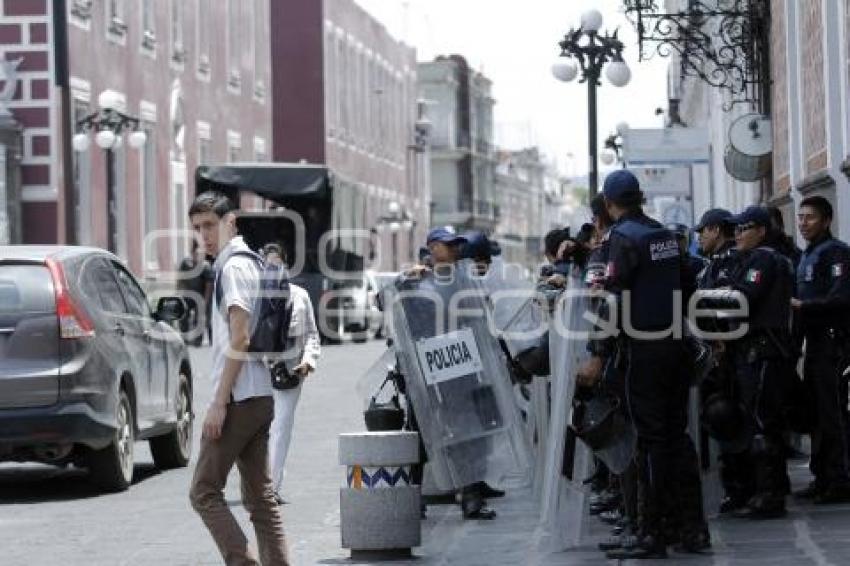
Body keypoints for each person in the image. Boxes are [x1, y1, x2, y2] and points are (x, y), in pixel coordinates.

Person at [579, 170, 708, 559]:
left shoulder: (622, 238)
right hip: (673, 345)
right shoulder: (664, 235)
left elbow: (612, 298)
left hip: (644, 350)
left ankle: (651, 533)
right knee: (677, 438)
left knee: (650, 443)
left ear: (608, 202)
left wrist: (599, 354)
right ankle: (691, 529)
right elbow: (689, 279)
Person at [187, 191, 289, 565]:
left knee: (203, 491)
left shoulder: (233, 267)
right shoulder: (250, 262)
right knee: (261, 500)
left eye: (210, 225)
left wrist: (218, 402)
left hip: (239, 399)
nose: (204, 235)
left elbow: (241, 336)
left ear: (232, 222)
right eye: (198, 228)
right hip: (259, 394)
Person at [723, 205, 795, 519]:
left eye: (744, 228)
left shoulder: (764, 258)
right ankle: (768, 489)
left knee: (763, 422)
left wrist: (718, 295)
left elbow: (742, 297)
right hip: (756, 349)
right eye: (735, 229)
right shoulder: (758, 258)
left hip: (763, 349)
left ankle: (769, 495)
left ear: (762, 230)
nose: (737, 234)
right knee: (761, 420)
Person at [694, 208, 756, 514]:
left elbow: (730, 305)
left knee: (733, 418)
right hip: (716, 356)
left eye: (702, 231)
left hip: (733, 354)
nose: (699, 237)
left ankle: (744, 489)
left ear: (716, 230)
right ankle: (733, 487)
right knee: (719, 419)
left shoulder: (732, 262)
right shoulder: (711, 265)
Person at [792, 196, 850, 503]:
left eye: (810, 218)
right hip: (813, 345)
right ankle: (822, 475)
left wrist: (805, 306)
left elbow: (841, 298)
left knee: (833, 413)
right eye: (800, 217)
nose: (803, 223)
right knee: (815, 413)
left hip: (834, 343)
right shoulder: (806, 256)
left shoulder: (836, 253)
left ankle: (839, 479)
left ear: (826, 221)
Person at [268, 278, 320, 505]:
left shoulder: (300, 295)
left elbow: (312, 334)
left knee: (281, 427)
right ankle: (257, 483)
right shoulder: (254, 296)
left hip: (290, 372)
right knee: (258, 428)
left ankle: (271, 487)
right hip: (259, 370)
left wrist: (309, 360)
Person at [177, 240, 213, 347]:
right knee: (183, 315)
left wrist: (205, 301)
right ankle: (185, 339)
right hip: (188, 294)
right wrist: (179, 293)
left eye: (200, 254)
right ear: (192, 254)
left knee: (200, 317)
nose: (198, 257)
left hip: (202, 295)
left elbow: (209, 285)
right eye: (196, 254)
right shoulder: (185, 263)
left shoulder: (205, 266)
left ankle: (198, 341)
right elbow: (180, 279)